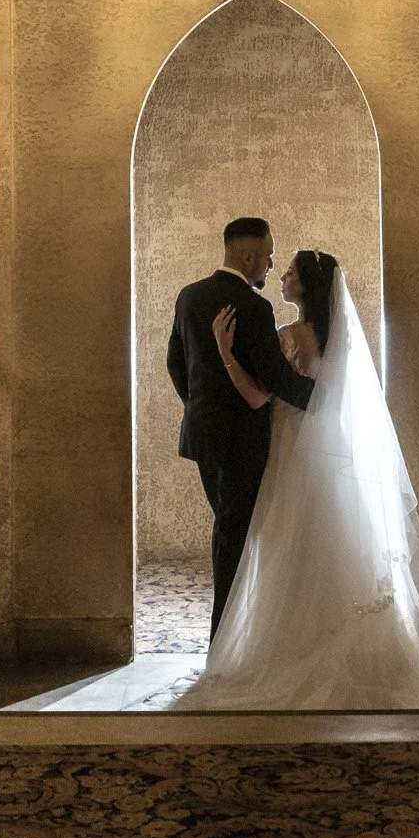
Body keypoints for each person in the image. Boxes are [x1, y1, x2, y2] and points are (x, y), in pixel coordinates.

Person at [176, 247, 419, 711]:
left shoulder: (290, 335)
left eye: (290, 272)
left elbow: (263, 398)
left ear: (305, 286)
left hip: (289, 453)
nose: (281, 276)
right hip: (323, 453)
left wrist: (225, 353)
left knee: (286, 550)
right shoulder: (335, 339)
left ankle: (285, 652)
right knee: (329, 546)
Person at [166, 217, 313, 638]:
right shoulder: (253, 307)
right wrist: (323, 398)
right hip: (243, 440)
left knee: (231, 529)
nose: (269, 265)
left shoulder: (189, 296)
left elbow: (175, 363)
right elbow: (274, 377)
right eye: (267, 256)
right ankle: (222, 642)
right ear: (248, 256)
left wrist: (199, 408)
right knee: (233, 536)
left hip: (203, 437)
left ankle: (236, 639)